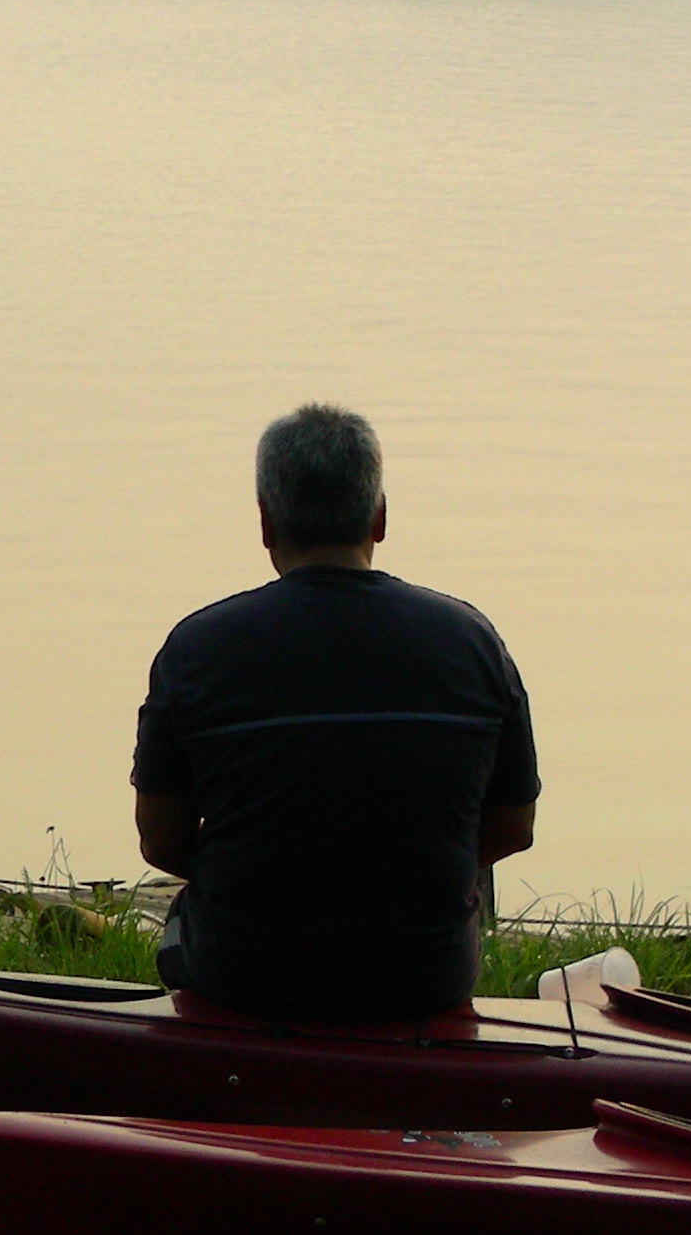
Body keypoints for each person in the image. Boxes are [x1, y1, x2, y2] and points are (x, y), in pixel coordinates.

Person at [132, 404, 539, 1021]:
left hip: (249, 974)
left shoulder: (197, 648)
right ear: (379, 516)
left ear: (266, 522)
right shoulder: (471, 640)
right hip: (424, 976)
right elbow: (515, 828)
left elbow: (160, 841)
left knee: (185, 919)